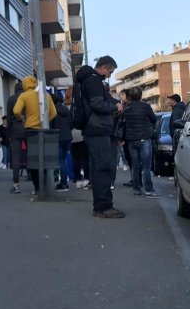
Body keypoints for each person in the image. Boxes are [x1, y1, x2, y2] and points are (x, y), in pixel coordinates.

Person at [76, 55, 124, 218]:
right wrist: (113, 106)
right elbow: (97, 104)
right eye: (110, 72)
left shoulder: (89, 80)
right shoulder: (93, 81)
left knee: (98, 168)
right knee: (103, 168)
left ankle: (101, 206)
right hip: (97, 128)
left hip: (93, 129)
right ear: (104, 67)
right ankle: (103, 207)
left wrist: (113, 103)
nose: (109, 75)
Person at [13, 75, 57, 194]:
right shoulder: (46, 95)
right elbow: (54, 113)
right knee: (45, 158)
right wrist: (45, 121)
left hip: (30, 130)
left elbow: (16, 111)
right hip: (44, 129)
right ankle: (47, 185)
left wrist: (22, 118)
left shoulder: (24, 95)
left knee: (33, 158)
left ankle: (37, 187)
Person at [120, 87, 159, 198]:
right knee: (146, 166)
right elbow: (154, 119)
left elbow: (123, 123)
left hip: (131, 140)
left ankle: (136, 188)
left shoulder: (127, 108)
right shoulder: (146, 107)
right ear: (141, 95)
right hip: (144, 138)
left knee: (135, 165)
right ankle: (148, 189)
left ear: (130, 96)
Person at [6, 81, 26, 193]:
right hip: (27, 126)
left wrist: (8, 132)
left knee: (16, 156)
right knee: (30, 153)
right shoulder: (27, 97)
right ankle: (35, 181)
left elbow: (9, 117)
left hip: (15, 128)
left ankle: (16, 183)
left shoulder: (11, 99)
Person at [51, 93, 72, 191]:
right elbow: (71, 122)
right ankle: (64, 182)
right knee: (63, 160)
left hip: (57, 137)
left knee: (58, 161)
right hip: (67, 137)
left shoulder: (53, 111)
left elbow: (51, 125)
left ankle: (61, 183)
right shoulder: (66, 110)